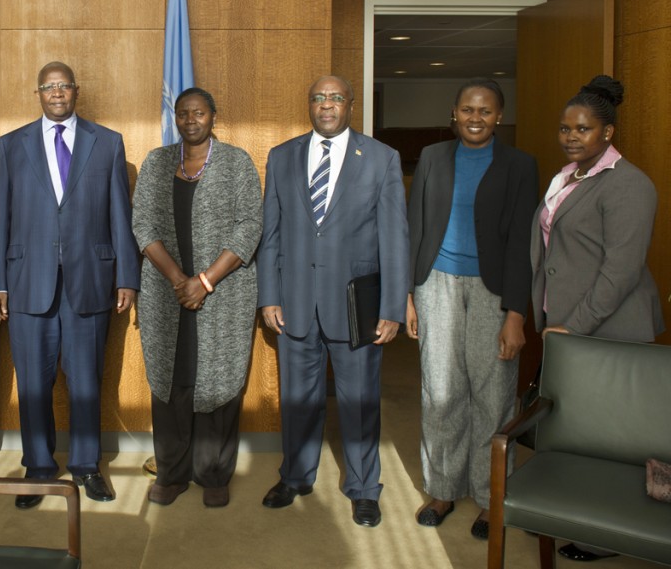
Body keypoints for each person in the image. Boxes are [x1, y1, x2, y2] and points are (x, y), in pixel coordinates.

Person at [256, 75, 408, 527]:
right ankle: (296, 476)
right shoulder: (282, 157)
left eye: (335, 98)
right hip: (295, 303)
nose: (326, 105)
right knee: (298, 400)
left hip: (356, 305)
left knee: (359, 401)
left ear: (351, 105)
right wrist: (269, 296)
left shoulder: (381, 159)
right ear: (310, 105)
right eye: (318, 98)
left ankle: (364, 488)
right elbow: (271, 233)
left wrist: (392, 308)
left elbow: (394, 240)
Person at [0, 61, 139, 509]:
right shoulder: (12, 145)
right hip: (27, 281)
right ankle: (37, 468)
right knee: (33, 381)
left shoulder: (107, 142)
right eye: (49, 87)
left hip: (91, 282)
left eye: (64, 86)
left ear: (76, 91)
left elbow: (119, 214)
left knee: (87, 381)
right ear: (38, 93)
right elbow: (1, 217)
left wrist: (127, 276)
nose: (57, 93)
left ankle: (87, 466)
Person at [531, 74, 664, 563]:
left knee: (614, 437)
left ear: (607, 133)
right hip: (568, 324)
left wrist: (575, 325)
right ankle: (566, 513)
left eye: (582, 129)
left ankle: (603, 535)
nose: (570, 137)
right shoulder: (569, 175)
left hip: (609, 327)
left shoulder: (630, 185)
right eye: (565, 128)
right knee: (574, 428)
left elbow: (621, 272)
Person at [405, 78, 538, 539]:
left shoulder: (520, 166)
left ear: (499, 116)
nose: (475, 118)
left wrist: (516, 314)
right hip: (435, 284)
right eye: (467, 110)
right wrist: (407, 293)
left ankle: (488, 496)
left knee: (493, 393)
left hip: (493, 291)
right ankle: (442, 488)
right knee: (440, 392)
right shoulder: (433, 158)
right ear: (454, 113)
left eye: (484, 111)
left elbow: (523, 244)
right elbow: (414, 225)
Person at [132, 88, 262, 508]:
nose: (191, 119)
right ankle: (172, 473)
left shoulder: (236, 162)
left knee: (218, 381)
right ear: (176, 118)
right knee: (171, 380)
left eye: (199, 112)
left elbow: (249, 227)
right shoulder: (156, 162)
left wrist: (203, 282)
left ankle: (213, 474)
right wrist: (179, 281)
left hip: (222, 294)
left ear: (213, 117)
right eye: (183, 113)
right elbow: (143, 225)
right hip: (166, 295)